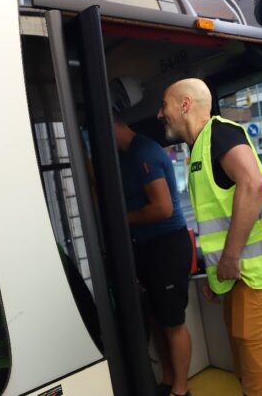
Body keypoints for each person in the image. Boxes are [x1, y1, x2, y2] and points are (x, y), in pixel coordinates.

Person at [158, 78, 262, 396]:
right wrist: (217, 277)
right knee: (250, 381)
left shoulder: (220, 133)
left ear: (185, 104)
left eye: (164, 104)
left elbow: (252, 184)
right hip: (245, 283)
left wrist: (229, 258)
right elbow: (221, 222)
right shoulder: (200, 149)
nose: (160, 114)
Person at [113, 112, 193, 396]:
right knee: (157, 319)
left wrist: (122, 218)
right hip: (147, 247)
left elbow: (163, 208)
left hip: (167, 246)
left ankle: (181, 391)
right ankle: (169, 381)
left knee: (172, 322)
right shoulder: (122, 156)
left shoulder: (142, 152)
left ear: (114, 123)